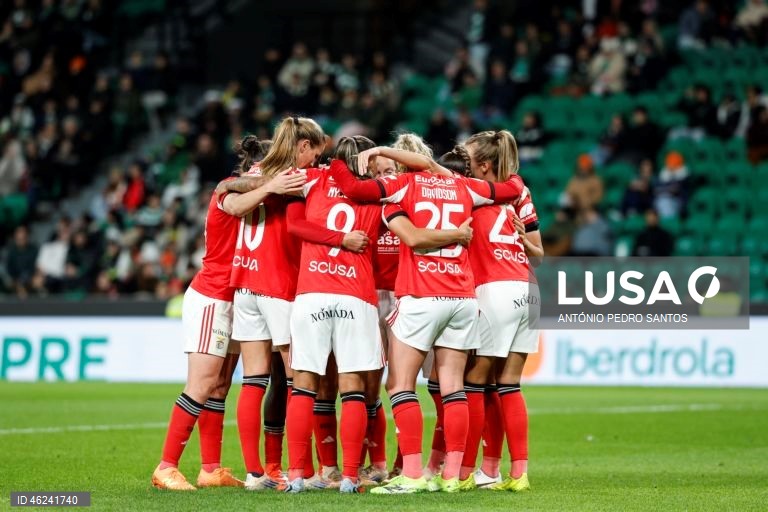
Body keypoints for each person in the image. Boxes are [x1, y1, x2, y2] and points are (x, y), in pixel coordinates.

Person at [328, 133, 525, 494]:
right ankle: (453, 475)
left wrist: (339, 159)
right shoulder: (463, 185)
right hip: (463, 297)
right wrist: (508, 173)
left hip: (421, 296)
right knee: (453, 387)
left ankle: (413, 474)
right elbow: (511, 189)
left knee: (399, 385)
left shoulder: (400, 188)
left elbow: (356, 193)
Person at [150, 137, 307, 491]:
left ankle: (210, 469)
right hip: (213, 297)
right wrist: (270, 185)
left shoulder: (264, 193)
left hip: (240, 296)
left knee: (221, 387)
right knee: (202, 384)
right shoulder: (228, 191)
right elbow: (235, 201)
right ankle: (166, 466)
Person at [218, 118, 326, 490]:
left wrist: (235, 184)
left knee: (253, 380)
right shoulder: (293, 175)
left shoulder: (258, 170)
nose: (317, 158)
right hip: (278, 283)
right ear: (302, 146)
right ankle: (304, 472)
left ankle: (256, 473)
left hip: (245, 283)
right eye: (315, 150)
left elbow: (229, 194)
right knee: (299, 379)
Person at [455, 131, 543, 492]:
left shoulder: (471, 194)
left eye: (468, 160)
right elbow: (538, 248)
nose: (462, 166)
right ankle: (517, 473)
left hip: (496, 290)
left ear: (484, 165)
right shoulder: (518, 190)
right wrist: (522, 239)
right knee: (508, 385)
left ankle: (467, 472)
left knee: (474, 384)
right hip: (531, 290)